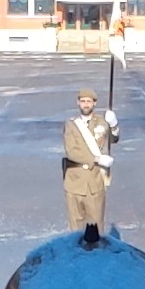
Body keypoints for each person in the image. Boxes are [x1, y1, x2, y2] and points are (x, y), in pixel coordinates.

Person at [61, 88, 118, 231]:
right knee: (76, 228)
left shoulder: (101, 122)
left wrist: (114, 125)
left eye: (89, 101)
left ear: (94, 103)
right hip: (75, 182)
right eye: (83, 101)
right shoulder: (71, 125)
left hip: (95, 182)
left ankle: (95, 253)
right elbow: (72, 152)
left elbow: (113, 138)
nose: (85, 105)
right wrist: (97, 159)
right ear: (78, 103)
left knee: (96, 227)